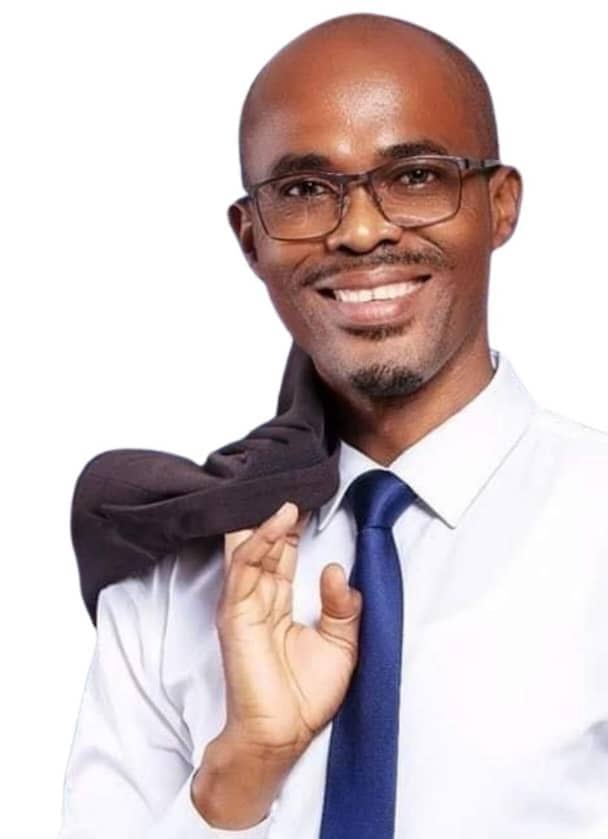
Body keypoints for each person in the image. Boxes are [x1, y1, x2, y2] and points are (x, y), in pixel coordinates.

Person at [58, 12, 608, 839]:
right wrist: (239, 773)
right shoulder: (172, 578)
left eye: (416, 175)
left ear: (500, 206)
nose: (359, 230)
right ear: (250, 238)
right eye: (305, 190)